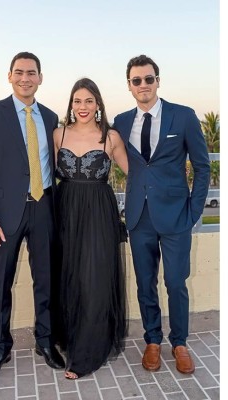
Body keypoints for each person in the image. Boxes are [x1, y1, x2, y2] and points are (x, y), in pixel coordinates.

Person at [113, 55, 210, 374]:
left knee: (175, 282)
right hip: (139, 217)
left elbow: (201, 166)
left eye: (149, 79)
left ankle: (179, 342)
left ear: (158, 80)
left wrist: (194, 211)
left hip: (175, 217)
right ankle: (152, 340)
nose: (144, 85)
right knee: (144, 284)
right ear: (129, 85)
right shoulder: (122, 121)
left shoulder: (183, 116)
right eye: (137, 80)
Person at [0, 51, 65, 380]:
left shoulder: (52, 117)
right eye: (19, 72)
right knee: (1, 284)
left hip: (44, 208)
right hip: (4, 213)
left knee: (47, 279)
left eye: (32, 72)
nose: (25, 78)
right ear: (9, 76)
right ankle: (0, 347)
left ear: (40, 78)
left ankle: (45, 341)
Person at [52, 78, 129, 380]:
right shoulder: (58, 134)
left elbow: (134, 175)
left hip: (98, 213)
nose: (82, 107)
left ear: (98, 104)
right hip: (65, 212)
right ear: (71, 104)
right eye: (77, 101)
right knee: (67, 277)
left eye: (88, 101)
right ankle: (69, 339)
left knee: (94, 280)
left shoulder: (110, 137)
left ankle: (87, 354)